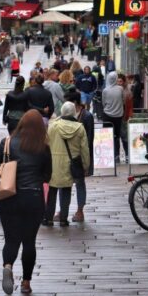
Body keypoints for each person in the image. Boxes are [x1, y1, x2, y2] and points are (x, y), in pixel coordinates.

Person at [0, 110, 52, 295]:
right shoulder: (43, 147)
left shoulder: (7, 142)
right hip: (33, 198)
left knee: (11, 239)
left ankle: (8, 265)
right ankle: (26, 282)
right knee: (29, 241)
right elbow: (48, 175)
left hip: (10, 196)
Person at [45, 102, 90, 227]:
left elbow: (46, 145)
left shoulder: (53, 126)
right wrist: (85, 166)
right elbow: (84, 150)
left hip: (54, 163)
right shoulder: (80, 128)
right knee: (66, 190)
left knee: (52, 190)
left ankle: (48, 218)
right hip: (70, 163)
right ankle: (64, 219)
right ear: (74, 112)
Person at [66, 91, 94, 222]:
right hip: (66, 155)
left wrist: (86, 161)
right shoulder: (67, 114)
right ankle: (63, 210)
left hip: (79, 156)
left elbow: (89, 139)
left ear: (75, 103)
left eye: (68, 102)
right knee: (64, 183)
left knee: (80, 183)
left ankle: (80, 211)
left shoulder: (87, 116)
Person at [102, 74, 126, 163]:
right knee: (117, 136)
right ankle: (116, 156)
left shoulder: (105, 90)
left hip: (107, 115)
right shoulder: (120, 89)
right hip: (118, 115)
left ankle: (108, 154)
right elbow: (123, 100)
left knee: (107, 135)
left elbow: (103, 103)